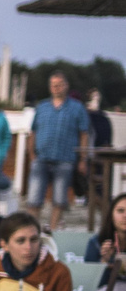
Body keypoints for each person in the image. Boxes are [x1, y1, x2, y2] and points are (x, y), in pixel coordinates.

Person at [27, 70, 92, 231]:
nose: (56, 88)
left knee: (59, 199)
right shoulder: (42, 107)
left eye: (59, 85)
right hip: (41, 158)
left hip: (65, 159)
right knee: (34, 198)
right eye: (53, 85)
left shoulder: (77, 108)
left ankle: (54, 231)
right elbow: (33, 132)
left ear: (66, 86)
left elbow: (84, 134)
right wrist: (31, 154)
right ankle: (33, 231)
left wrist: (83, 159)